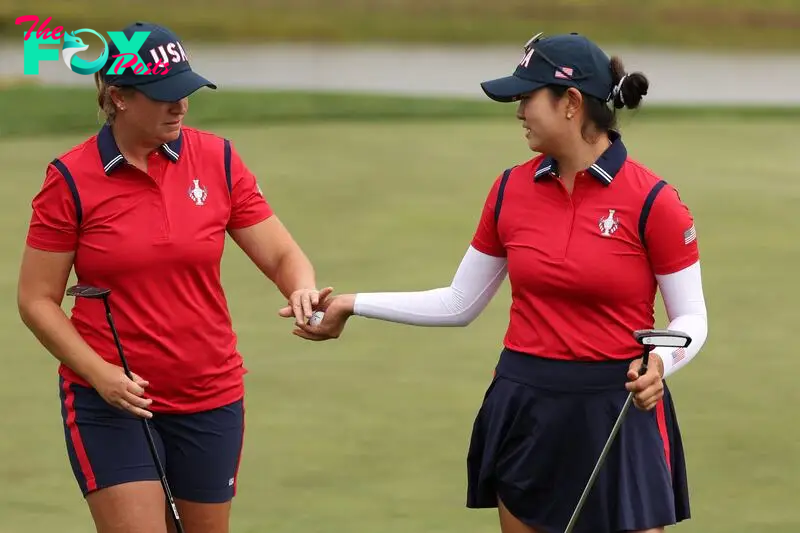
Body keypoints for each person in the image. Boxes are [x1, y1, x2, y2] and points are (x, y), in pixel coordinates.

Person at [284, 32, 709, 533]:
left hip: (615, 405)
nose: (519, 110)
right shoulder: (510, 189)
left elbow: (692, 319)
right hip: (525, 405)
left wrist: (661, 362)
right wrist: (351, 304)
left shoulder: (654, 201)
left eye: (528, 97)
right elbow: (460, 301)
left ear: (571, 103)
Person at [17, 21, 328, 533]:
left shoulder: (218, 159)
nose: (181, 105)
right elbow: (37, 300)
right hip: (112, 399)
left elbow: (280, 256)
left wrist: (301, 288)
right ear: (118, 96)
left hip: (210, 391)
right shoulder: (70, 179)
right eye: (165, 96)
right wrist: (100, 375)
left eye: (185, 91)